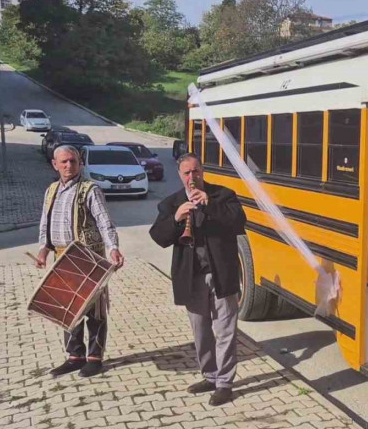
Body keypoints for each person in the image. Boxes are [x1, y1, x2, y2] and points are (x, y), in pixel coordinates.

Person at [149, 153, 246, 406]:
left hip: (222, 275)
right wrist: (176, 219)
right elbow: (158, 237)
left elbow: (239, 222)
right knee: (201, 332)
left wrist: (209, 205)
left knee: (225, 331)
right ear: (180, 175)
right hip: (191, 278)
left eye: (196, 171)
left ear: (202, 171)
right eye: (187, 173)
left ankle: (224, 383)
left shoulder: (223, 195)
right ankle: (210, 376)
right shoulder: (172, 203)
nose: (192, 177)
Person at [37, 145, 125, 378]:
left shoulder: (90, 189)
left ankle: (94, 358)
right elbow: (45, 224)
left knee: (94, 310)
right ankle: (75, 356)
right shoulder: (51, 191)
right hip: (62, 259)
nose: (69, 166)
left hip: (89, 258)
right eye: (64, 162)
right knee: (68, 308)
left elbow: (105, 221)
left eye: (73, 161)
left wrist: (113, 247)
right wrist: (43, 249)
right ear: (55, 164)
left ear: (80, 163)